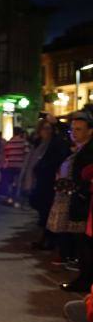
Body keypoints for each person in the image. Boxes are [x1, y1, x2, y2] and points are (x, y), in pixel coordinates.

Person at [62, 113, 93, 292]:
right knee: (82, 243)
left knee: (84, 244)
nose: (74, 133)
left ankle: (85, 281)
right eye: (72, 129)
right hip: (81, 200)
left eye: (79, 129)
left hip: (85, 203)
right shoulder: (81, 148)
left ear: (90, 131)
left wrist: (78, 189)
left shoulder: (89, 150)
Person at [27, 120, 70, 250]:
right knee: (42, 210)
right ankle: (46, 239)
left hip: (49, 182)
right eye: (44, 128)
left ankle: (48, 240)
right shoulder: (38, 145)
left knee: (46, 211)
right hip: (39, 181)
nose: (47, 131)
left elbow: (57, 159)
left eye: (49, 128)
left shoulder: (54, 144)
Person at [1, 127, 28, 204]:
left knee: (10, 182)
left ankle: (10, 198)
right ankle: (16, 199)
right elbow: (27, 153)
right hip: (19, 165)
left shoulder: (9, 142)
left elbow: (5, 154)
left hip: (10, 165)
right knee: (18, 182)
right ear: (20, 133)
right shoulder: (24, 142)